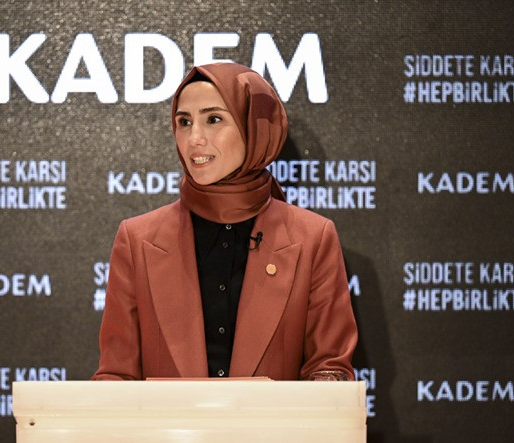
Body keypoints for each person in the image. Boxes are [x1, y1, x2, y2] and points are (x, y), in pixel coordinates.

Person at [92, 62, 357, 381]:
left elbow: (330, 370)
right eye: (184, 122)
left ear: (253, 128)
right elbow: (116, 378)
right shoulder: (137, 239)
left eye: (213, 119)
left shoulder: (314, 238)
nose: (194, 139)